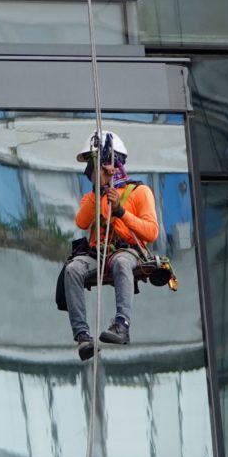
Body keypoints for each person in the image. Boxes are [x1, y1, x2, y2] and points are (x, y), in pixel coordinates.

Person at [65, 131, 160, 361]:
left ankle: (122, 324)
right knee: (72, 269)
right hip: (98, 254)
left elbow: (151, 232)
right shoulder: (92, 197)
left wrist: (121, 212)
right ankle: (83, 336)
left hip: (128, 251)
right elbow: (81, 221)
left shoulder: (139, 192)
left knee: (120, 261)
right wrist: (99, 192)